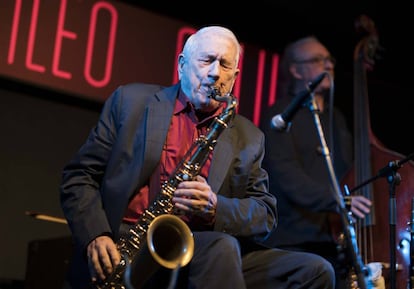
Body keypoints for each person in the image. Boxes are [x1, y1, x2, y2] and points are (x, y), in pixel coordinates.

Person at [59, 26, 335, 289]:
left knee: (316, 270)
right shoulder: (130, 102)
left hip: (199, 250)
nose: (215, 73)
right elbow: (79, 177)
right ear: (182, 65)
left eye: (225, 65)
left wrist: (217, 207)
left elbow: (265, 214)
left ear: (235, 76)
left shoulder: (250, 137)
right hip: (127, 244)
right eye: (207, 60)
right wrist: (96, 234)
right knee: (221, 248)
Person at [259, 36, 374, 289]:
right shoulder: (278, 115)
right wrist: (339, 202)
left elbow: (349, 172)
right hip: (295, 240)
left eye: (329, 59)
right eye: (317, 60)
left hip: (336, 240)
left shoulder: (337, 119)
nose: (328, 65)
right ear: (295, 69)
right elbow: (286, 176)